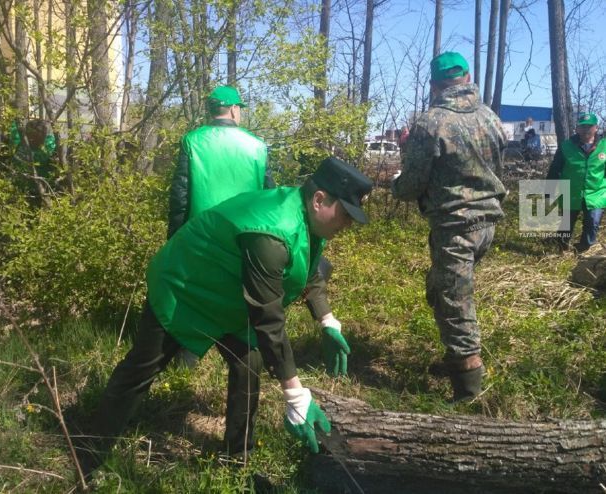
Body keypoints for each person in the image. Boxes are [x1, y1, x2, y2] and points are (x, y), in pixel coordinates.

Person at [79, 157, 373, 476]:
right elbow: (268, 318)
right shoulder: (272, 231)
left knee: (249, 364)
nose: (347, 225)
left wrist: (327, 319)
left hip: (227, 295)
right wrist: (295, 394)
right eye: (346, 215)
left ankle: (238, 462)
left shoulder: (307, 217)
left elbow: (310, 266)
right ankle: (90, 452)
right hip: (184, 288)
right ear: (320, 200)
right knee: (142, 368)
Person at [391, 52, 506, 402]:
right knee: (442, 290)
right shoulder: (491, 118)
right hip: (487, 226)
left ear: (434, 84)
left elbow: (409, 186)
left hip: (455, 227)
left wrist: (399, 175)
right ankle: (457, 359)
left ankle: (468, 390)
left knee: (456, 305)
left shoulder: (432, 123)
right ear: (467, 76)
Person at [167, 85, 273, 238]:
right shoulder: (257, 146)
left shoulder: (192, 141)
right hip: (246, 236)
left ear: (211, 111)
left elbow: (180, 195)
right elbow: (269, 197)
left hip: (201, 234)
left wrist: (175, 238)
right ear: (234, 109)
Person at [546, 112, 606, 252]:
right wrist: (548, 191)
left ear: (596, 128)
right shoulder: (566, 146)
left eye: (589, 126)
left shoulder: (604, 146)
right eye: (582, 126)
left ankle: (584, 249)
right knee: (567, 222)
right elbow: (555, 169)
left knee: (593, 222)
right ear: (577, 129)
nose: (586, 129)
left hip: (596, 192)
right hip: (571, 191)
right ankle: (561, 247)